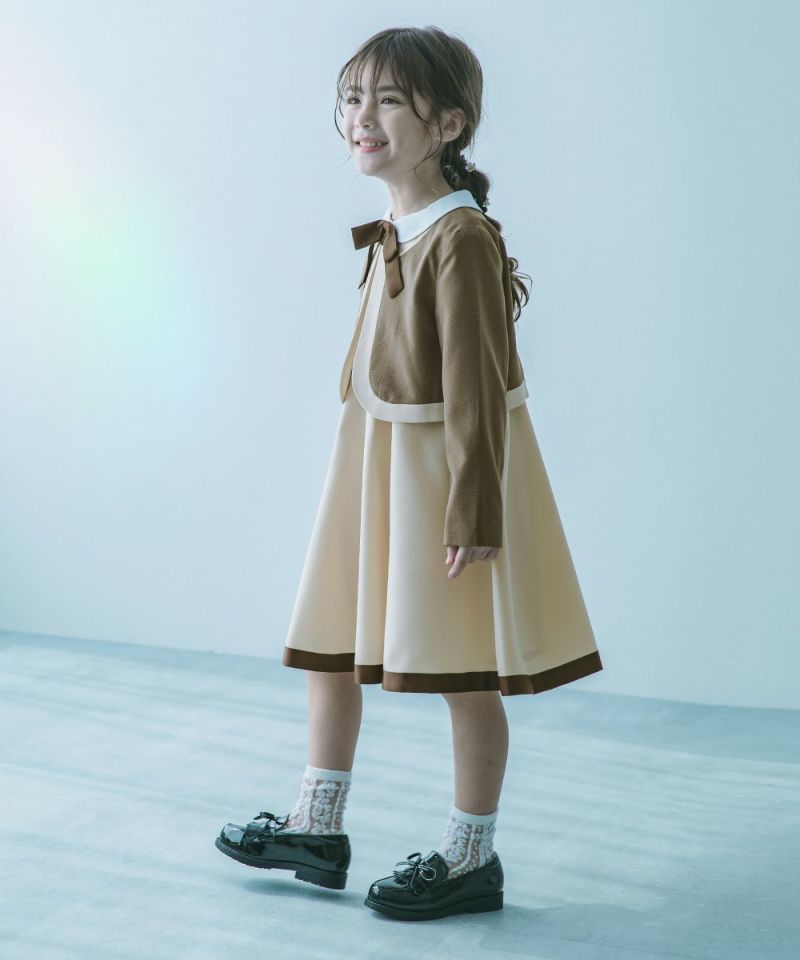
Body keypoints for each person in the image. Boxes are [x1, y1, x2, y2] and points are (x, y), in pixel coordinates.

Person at [216, 25, 603, 921]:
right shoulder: (399, 226)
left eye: (390, 100)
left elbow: (476, 386)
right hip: (374, 461)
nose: (363, 116)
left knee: (461, 668)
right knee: (328, 641)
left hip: (435, 477)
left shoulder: (460, 236)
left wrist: (474, 512)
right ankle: (317, 826)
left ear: (449, 124)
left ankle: (471, 856)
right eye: (354, 98)